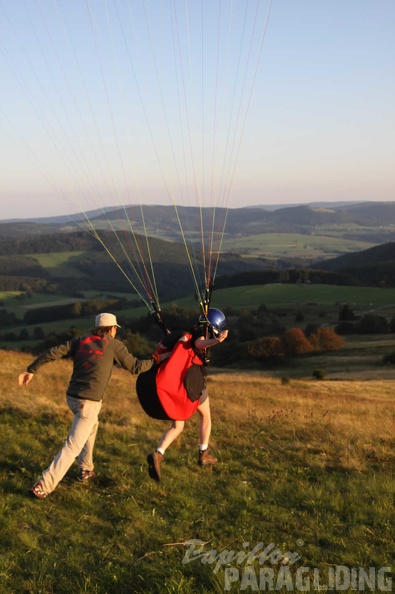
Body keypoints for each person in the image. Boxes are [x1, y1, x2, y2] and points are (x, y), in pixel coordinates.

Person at [18, 312, 155, 499]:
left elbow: (53, 352)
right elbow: (136, 367)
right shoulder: (115, 345)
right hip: (88, 403)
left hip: (73, 398)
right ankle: (44, 485)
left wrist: (31, 370)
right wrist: (155, 361)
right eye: (115, 328)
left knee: (92, 425)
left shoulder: (80, 341)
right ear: (113, 328)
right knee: (72, 447)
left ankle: (86, 469)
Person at [146, 308, 229, 482]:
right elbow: (199, 344)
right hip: (193, 384)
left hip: (179, 385)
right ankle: (203, 453)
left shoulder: (187, 334)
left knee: (178, 426)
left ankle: (158, 454)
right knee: (206, 415)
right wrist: (217, 340)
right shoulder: (201, 335)